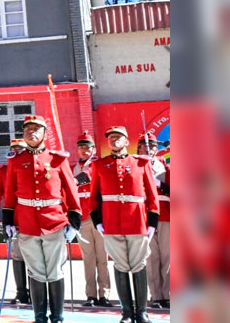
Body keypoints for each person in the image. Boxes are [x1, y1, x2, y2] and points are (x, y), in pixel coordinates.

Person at [2, 115, 82, 323]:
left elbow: (70, 191)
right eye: (27, 129)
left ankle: (57, 317)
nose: (31, 132)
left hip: (53, 222)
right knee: (36, 272)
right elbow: (10, 193)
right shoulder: (16, 161)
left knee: (54, 271)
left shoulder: (58, 160)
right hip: (27, 224)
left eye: (36, 129)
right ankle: (39, 317)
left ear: (45, 134)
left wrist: (74, 220)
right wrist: (8, 221)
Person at [89, 126, 160, 323]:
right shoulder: (99, 165)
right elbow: (94, 197)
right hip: (111, 224)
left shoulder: (140, 163)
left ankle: (142, 312)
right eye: (111, 137)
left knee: (138, 265)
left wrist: (152, 223)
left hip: (137, 222)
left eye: (118, 137)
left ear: (127, 141)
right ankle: (127, 313)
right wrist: (98, 222)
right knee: (120, 266)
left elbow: (152, 197)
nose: (114, 140)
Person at [73, 131, 112, 307]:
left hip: (98, 216)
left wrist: (73, 180)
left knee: (102, 257)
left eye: (87, 147)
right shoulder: (73, 167)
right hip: (82, 217)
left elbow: (88, 177)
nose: (83, 150)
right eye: (80, 147)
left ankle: (105, 294)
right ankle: (91, 295)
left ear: (93, 149)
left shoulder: (97, 164)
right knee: (88, 258)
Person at [0, 139, 29, 305]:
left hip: (31, 217)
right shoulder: (4, 171)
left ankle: (37, 291)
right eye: (15, 149)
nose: (17, 152)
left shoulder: (31, 168)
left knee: (34, 258)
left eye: (21, 150)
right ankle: (21, 292)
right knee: (17, 256)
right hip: (12, 219)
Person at [139, 133, 170, 310]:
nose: (148, 148)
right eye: (144, 145)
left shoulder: (165, 166)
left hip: (165, 215)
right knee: (151, 258)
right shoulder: (135, 166)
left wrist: (159, 183)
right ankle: (156, 296)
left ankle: (168, 295)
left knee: (168, 257)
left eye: (152, 145)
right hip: (145, 216)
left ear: (157, 148)